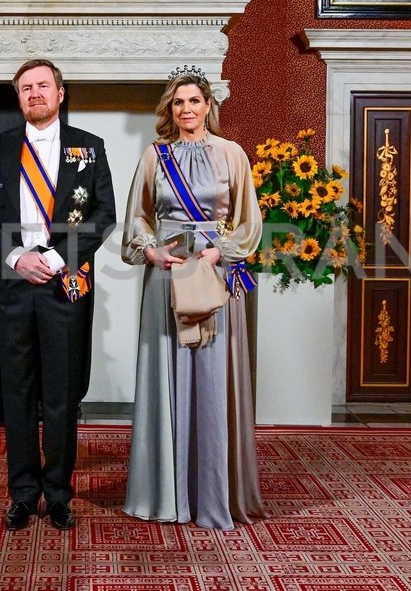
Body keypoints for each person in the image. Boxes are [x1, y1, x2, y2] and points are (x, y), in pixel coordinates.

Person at [0, 59, 115, 531]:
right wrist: (15, 258)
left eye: (43, 85)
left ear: (60, 93)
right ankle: (23, 494)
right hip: (14, 286)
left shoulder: (89, 147)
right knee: (18, 392)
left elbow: (104, 214)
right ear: (19, 98)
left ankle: (59, 493)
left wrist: (55, 257)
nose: (35, 93)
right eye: (26, 87)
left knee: (62, 394)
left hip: (64, 283)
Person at [120, 67, 267, 529]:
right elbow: (138, 217)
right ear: (170, 109)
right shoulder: (154, 155)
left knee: (212, 375)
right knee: (168, 371)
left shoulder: (231, 153)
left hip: (213, 272)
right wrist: (151, 251)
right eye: (179, 102)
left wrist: (220, 251)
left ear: (208, 106)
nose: (187, 109)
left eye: (195, 101)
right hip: (167, 275)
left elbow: (249, 219)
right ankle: (168, 493)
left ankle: (212, 494)